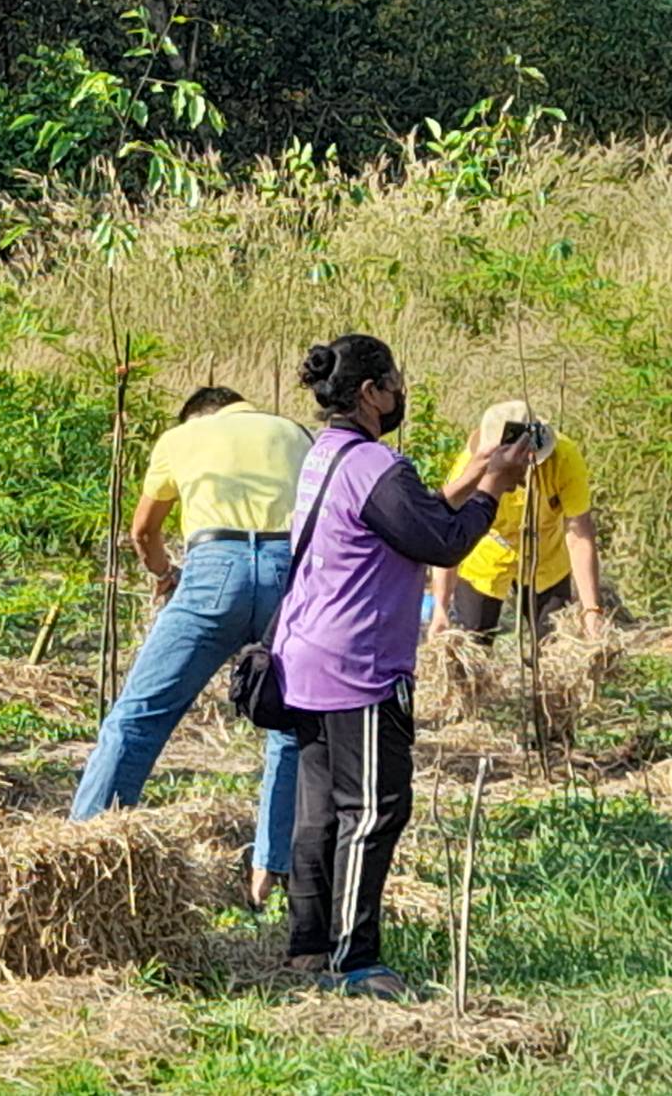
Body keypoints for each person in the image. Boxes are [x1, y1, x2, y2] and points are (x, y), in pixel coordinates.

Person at [272, 334, 530, 999]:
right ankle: (355, 961)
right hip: (357, 664)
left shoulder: (327, 454)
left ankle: (307, 945)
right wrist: (493, 492)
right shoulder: (374, 463)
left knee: (319, 811)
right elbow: (439, 543)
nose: (397, 395)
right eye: (392, 383)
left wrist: (475, 470)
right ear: (369, 393)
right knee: (371, 809)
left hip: (304, 654)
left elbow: (409, 518)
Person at [70, 383, 314, 908]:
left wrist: (163, 575)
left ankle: (82, 850)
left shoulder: (182, 436)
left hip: (212, 570)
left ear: (198, 415)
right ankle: (270, 869)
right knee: (288, 724)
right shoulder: (295, 433)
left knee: (137, 719)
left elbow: (142, 531)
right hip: (287, 573)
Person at [429, 400, 605, 643]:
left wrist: (591, 610)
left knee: (554, 647)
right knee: (471, 646)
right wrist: (440, 607)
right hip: (485, 557)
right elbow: (448, 535)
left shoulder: (564, 458)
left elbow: (579, 535)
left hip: (547, 559)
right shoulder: (468, 470)